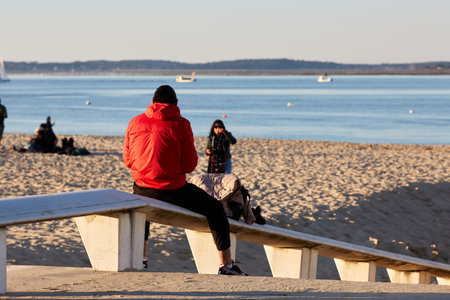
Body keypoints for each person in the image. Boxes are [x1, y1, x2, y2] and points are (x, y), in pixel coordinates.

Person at [123, 85, 247, 276]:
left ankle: (142, 260)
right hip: (173, 191)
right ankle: (227, 266)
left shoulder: (134, 122)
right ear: (176, 103)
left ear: (153, 102)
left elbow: (128, 160)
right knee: (215, 209)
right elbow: (190, 166)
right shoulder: (182, 124)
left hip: (142, 188)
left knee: (142, 208)